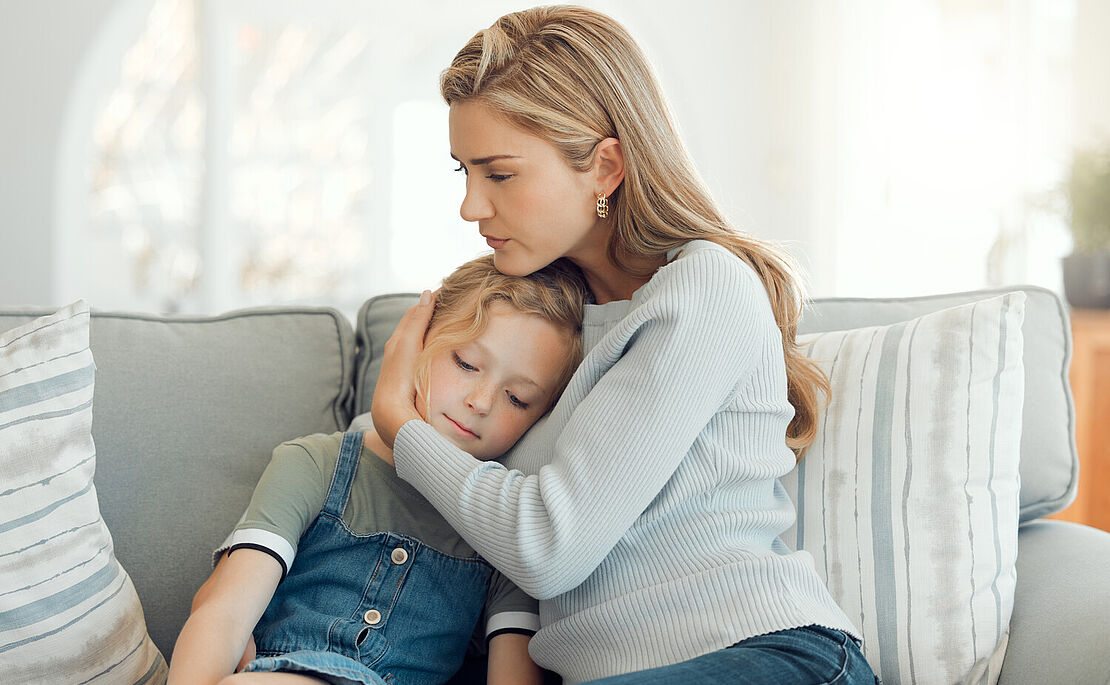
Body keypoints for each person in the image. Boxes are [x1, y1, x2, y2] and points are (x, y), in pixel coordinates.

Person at [370, 6, 879, 685]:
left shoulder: (705, 289)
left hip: (764, 655)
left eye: (498, 173)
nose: (470, 206)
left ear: (605, 166)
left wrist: (401, 425)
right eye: (463, 171)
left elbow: (548, 543)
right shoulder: (546, 329)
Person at [168, 255, 590, 685]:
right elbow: (225, 612)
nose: (480, 402)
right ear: (413, 342)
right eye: (465, 363)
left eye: (517, 397)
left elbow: (513, 675)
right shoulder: (315, 464)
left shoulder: (510, 527)